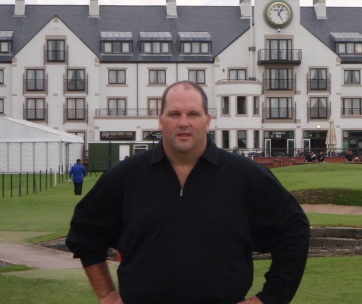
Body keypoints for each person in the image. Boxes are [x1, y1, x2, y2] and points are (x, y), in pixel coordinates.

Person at [66, 81, 310, 304]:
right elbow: (85, 231)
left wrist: (270, 298)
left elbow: (293, 230)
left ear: (207, 120)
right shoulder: (127, 175)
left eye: (193, 114)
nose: (184, 122)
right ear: (160, 120)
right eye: (174, 114)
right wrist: (107, 294)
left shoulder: (244, 175)